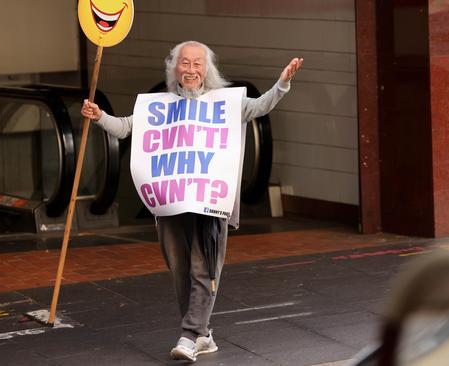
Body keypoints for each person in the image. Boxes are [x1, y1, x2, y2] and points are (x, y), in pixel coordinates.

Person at [81, 40, 302, 362]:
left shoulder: (224, 103)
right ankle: (202, 334)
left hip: (210, 200)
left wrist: (282, 84)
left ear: (207, 69)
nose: (191, 69)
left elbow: (260, 107)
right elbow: (126, 128)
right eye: (185, 63)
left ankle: (189, 335)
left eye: (198, 64)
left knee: (204, 267)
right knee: (181, 270)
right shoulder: (158, 106)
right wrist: (100, 116)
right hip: (170, 201)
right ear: (174, 68)